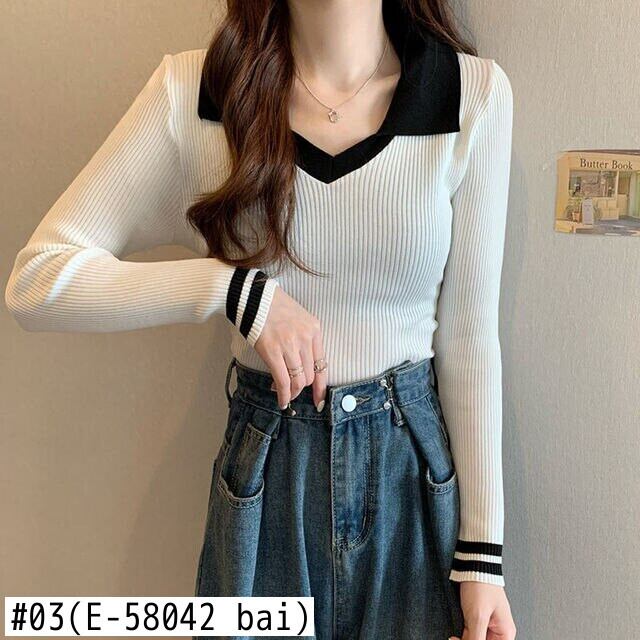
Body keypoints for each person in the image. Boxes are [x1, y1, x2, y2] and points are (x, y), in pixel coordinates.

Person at [4, 0, 516, 638]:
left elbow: (470, 341)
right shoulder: (197, 94)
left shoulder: (469, 95)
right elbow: (38, 282)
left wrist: (482, 558)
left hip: (409, 480)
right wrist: (234, 291)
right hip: (267, 471)